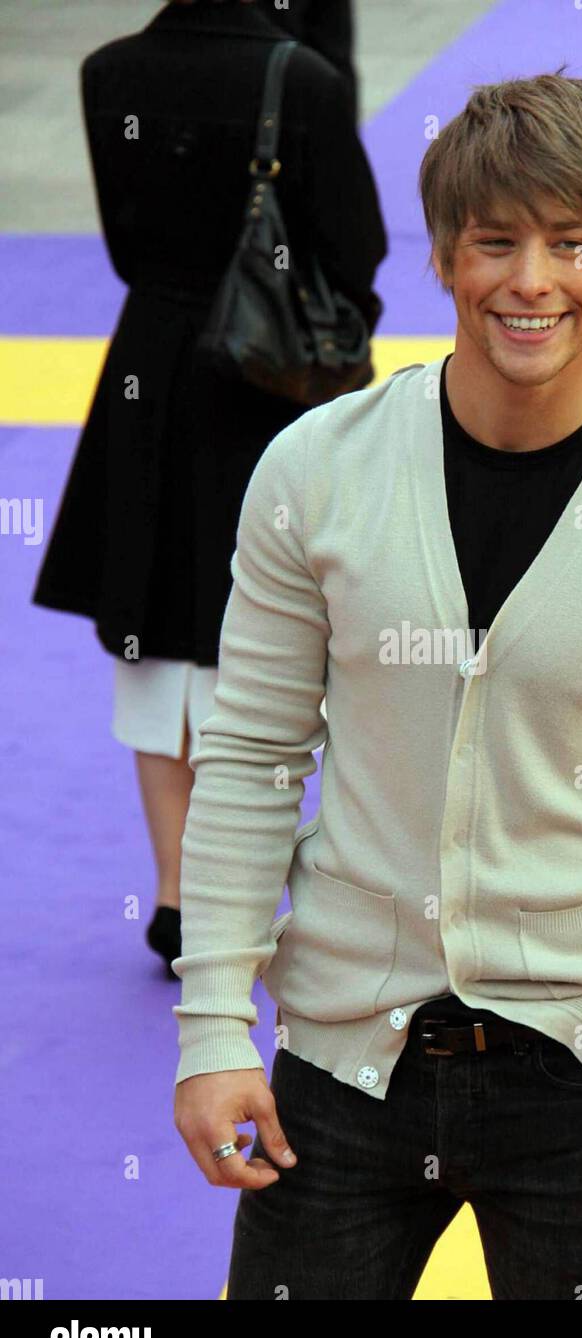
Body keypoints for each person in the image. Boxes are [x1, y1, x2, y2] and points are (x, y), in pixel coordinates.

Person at [172, 72, 582, 1299]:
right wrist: (207, 1030)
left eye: (570, 245)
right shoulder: (317, 472)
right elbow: (250, 756)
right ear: (446, 257)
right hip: (341, 1070)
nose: (530, 282)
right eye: (494, 242)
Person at [30, 0, 387, 976]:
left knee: (150, 628)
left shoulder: (108, 71)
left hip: (147, 371)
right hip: (265, 375)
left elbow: (124, 247)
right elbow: (358, 250)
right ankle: (250, 893)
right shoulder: (301, 80)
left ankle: (180, 897)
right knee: (264, 630)